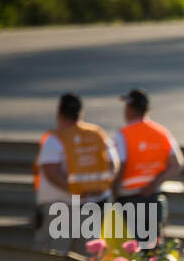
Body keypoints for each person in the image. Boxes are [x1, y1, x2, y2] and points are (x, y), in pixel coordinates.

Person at [32, 92, 120, 252]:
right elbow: (113, 164)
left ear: (59, 114)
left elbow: (51, 172)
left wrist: (74, 191)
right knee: (85, 256)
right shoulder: (97, 134)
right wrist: (102, 188)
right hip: (95, 202)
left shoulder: (55, 139)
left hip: (61, 205)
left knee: (55, 255)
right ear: (81, 113)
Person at [112, 88, 184, 247]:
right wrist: (153, 184)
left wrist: (113, 193)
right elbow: (176, 164)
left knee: (129, 251)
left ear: (130, 109)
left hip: (129, 199)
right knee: (151, 250)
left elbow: (120, 165)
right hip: (152, 198)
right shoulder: (161, 132)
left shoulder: (124, 134)